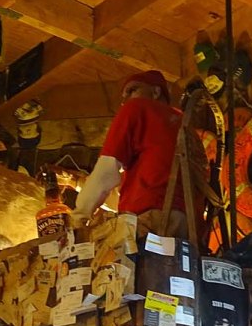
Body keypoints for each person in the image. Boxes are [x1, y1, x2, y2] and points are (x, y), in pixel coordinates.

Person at [71, 70, 191, 238]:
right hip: (188, 225)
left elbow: (106, 170)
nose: (125, 101)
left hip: (150, 217)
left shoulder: (137, 108)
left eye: (132, 90)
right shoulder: (184, 124)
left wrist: (79, 217)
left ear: (156, 92)